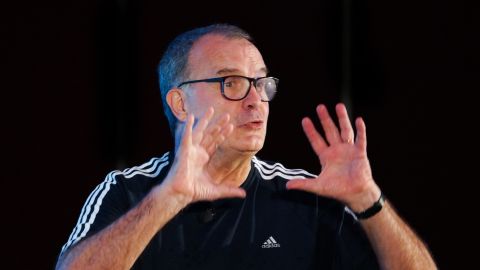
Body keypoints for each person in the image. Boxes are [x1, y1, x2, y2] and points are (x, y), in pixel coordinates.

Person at [55, 24, 437, 270]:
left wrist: (369, 201)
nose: (256, 100)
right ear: (180, 103)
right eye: (232, 83)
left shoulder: (305, 196)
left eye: (261, 83)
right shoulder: (127, 191)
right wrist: (166, 200)